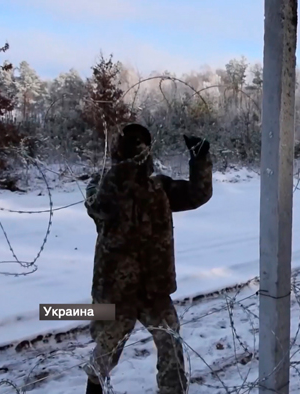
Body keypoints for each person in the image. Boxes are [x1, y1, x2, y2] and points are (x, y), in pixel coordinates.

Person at [83, 124, 213, 394]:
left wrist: (200, 160)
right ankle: (93, 388)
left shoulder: (159, 188)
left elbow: (197, 194)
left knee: (170, 342)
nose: (137, 149)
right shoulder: (104, 184)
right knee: (110, 344)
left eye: (141, 144)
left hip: (154, 287)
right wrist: (123, 171)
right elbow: (98, 207)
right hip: (117, 290)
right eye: (131, 144)